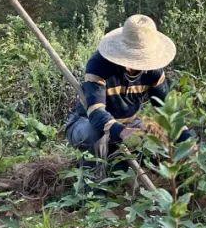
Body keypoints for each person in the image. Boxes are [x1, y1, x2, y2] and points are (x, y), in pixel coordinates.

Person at [65, 13, 192, 157]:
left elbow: (169, 113)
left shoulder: (153, 71)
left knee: (158, 134)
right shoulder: (99, 65)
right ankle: (95, 175)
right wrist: (122, 132)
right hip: (86, 122)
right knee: (95, 133)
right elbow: (96, 113)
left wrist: (188, 143)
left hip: (129, 124)